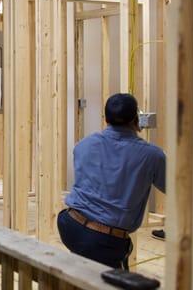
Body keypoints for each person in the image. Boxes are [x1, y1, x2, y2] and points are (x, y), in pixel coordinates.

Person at [57, 93, 166, 270]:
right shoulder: (152, 155)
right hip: (105, 240)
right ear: (136, 120)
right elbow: (178, 189)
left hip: (70, 224)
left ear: (106, 118)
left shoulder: (83, 145)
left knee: (83, 272)